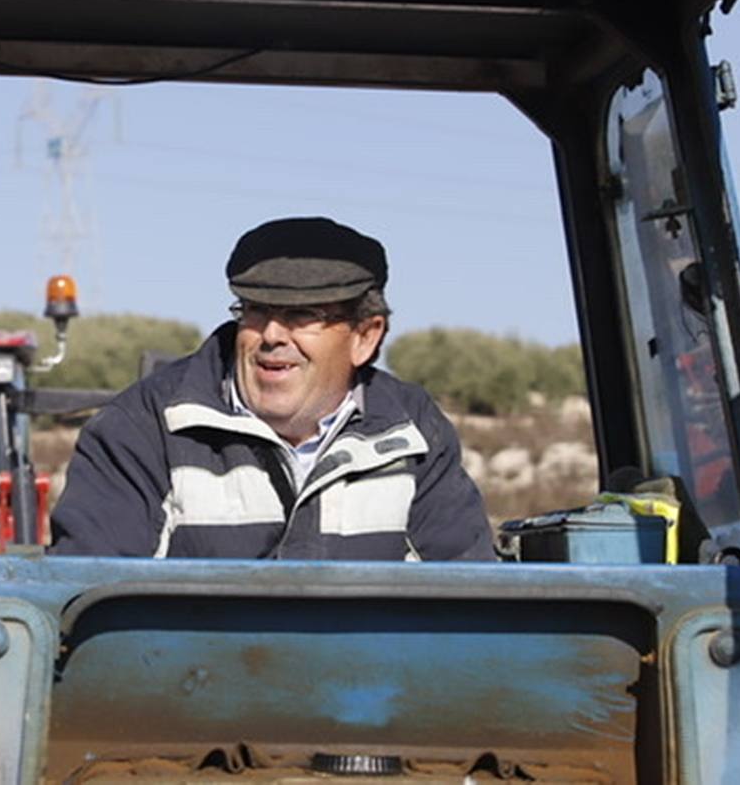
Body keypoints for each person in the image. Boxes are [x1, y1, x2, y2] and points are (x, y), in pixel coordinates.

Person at [51, 217, 495, 561]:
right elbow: (90, 602)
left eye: (303, 315)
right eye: (257, 311)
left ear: (366, 336)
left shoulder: (414, 433)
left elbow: (471, 602)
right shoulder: (143, 428)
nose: (272, 335)